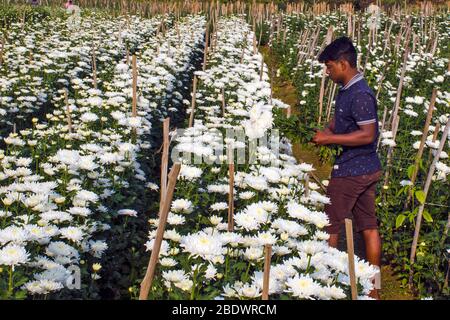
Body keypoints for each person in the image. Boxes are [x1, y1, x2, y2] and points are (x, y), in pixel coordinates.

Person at [312, 36, 382, 299]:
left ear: (343, 64)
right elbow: (343, 119)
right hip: (365, 168)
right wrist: (328, 129)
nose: (327, 72)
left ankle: (325, 286)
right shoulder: (349, 90)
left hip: (353, 170)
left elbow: (367, 134)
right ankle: (375, 290)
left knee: (329, 225)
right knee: (368, 225)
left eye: (329, 67)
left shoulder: (361, 93)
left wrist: (330, 138)